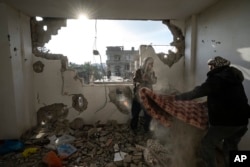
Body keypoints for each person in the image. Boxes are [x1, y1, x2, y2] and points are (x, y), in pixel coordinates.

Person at [175, 56, 250, 167]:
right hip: (242, 121)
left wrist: (177, 98)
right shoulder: (233, 78)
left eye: (211, 66)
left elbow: (198, 92)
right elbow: (228, 98)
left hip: (228, 122)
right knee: (231, 147)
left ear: (216, 66)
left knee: (206, 144)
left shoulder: (217, 79)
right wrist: (208, 103)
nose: (209, 68)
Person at [130, 57, 157, 133]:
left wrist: (148, 79)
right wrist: (142, 79)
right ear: (146, 64)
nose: (151, 65)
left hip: (147, 98)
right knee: (134, 115)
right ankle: (133, 129)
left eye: (152, 64)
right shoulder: (139, 71)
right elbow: (135, 81)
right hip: (137, 97)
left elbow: (155, 81)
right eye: (150, 64)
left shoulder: (152, 72)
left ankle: (146, 130)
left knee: (148, 116)